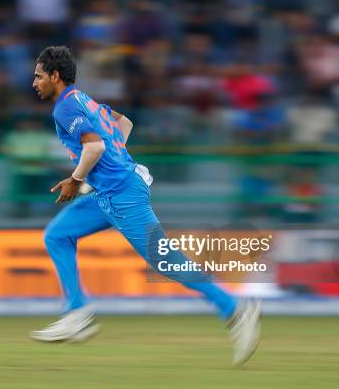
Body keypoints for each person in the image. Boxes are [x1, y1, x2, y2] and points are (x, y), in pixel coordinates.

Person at [30, 46, 260, 365]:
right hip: (110, 191)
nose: (34, 82)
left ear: (55, 77)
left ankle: (235, 310)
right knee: (57, 235)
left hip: (122, 194)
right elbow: (125, 124)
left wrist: (75, 178)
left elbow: (94, 146)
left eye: (39, 76)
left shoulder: (63, 109)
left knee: (167, 261)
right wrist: (113, 160)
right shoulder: (84, 100)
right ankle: (76, 313)